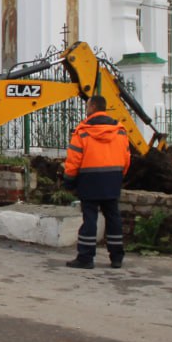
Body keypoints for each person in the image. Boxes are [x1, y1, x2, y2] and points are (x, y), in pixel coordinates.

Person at [61, 95, 132, 269]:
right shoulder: (120, 130)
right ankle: (116, 257)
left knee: (90, 218)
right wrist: (118, 175)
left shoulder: (83, 131)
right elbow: (126, 158)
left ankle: (85, 258)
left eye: (87, 105)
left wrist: (69, 180)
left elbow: (74, 159)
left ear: (92, 106)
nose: (86, 108)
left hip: (89, 179)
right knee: (113, 217)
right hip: (113, 178)